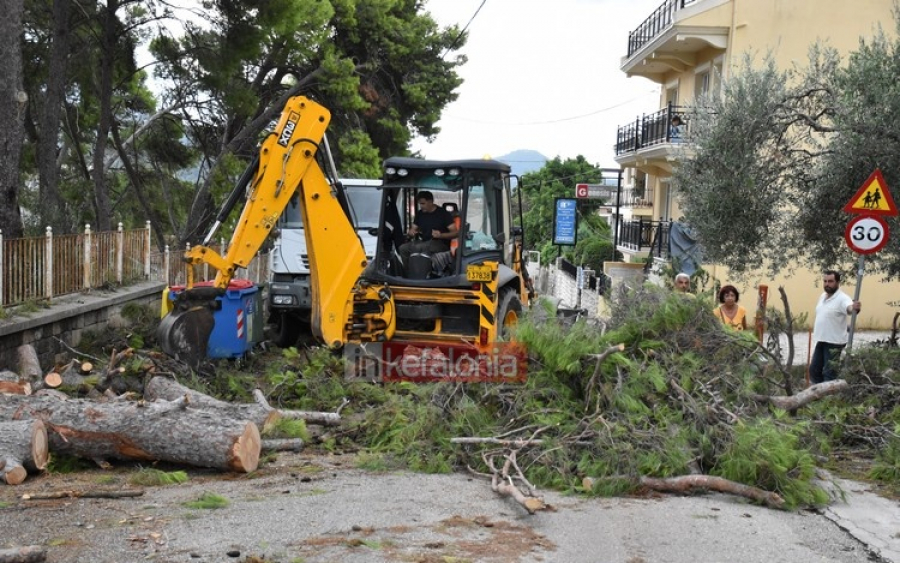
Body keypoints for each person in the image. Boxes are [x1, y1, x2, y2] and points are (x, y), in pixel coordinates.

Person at [809, 270, 861, 384]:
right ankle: (819, 394)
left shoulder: (842, 298)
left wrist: (854, 308)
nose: (827, 284)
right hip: (822, 339)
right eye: (825, 281)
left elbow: (849, 308)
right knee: (814, 370)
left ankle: (829, 399)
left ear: (837, 282)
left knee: (829, 373)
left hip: (834, 342)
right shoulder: (823, 296)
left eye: (831, 281)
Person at [398, 191, 458, 268]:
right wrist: (411, 233)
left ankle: (423, 272)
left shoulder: (443, 214)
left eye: (423, 203)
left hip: (440, 243)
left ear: (430, 202)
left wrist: (440, 235)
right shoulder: (420, 214)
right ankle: (410, 272)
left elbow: (455, 233)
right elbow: (413, 229)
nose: (421, 206)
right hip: (424, 241)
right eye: (420, 204)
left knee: (419, 247)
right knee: (403, 248)